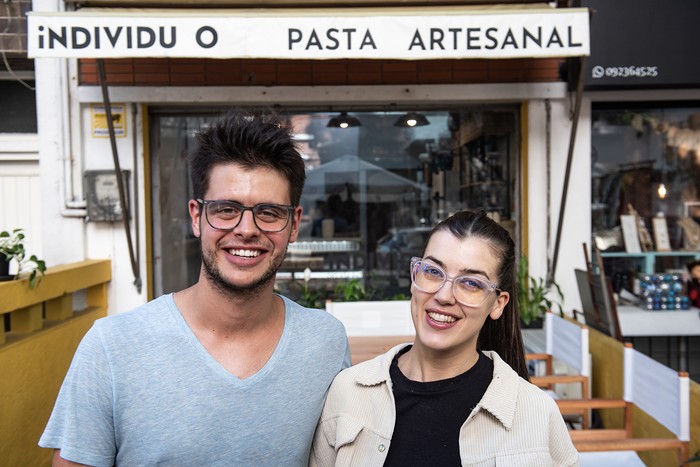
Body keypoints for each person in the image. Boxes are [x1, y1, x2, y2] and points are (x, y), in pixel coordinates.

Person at [39, 110, 351, 466]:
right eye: (226, 209)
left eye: (268, 212)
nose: (246, 229)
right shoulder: (112, 347)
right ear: (196, 216)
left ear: (293, 225)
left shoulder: (325, 342)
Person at [311, 210, 579, 466]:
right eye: (433, 272)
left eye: (471, 283)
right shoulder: (348, 392)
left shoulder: (536, 413)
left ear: (498, 304)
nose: (443, 296)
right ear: (414, 276)